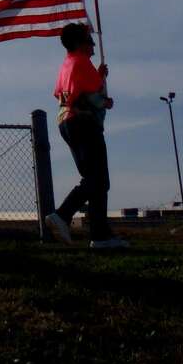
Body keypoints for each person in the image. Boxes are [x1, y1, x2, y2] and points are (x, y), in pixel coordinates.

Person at [43, 22, 129, 249]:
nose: (93, 46)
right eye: (90, 41)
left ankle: (101, 236)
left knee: (97, 181)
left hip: (66, 121)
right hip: (84, 122)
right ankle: (63, 216)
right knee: (97, 180)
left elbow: (62, 93)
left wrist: (97, 76)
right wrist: (103, 90)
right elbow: (95, 93)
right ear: (81, 44)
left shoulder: (67, 65)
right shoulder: (83, 63)